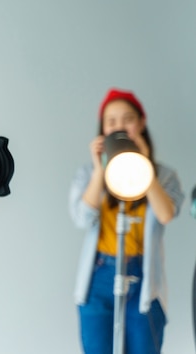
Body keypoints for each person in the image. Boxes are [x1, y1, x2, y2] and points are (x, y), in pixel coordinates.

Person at [69, 88, 184, 354]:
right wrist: (100, 170)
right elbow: (81, 217)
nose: (120, 126)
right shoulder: (88, 174)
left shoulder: (164, 175)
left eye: (127, 119)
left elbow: (167, 213)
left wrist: (145, 165)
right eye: (111, 121)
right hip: (99, 274)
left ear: (142, 123)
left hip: (143, 276)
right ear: (102, 129)